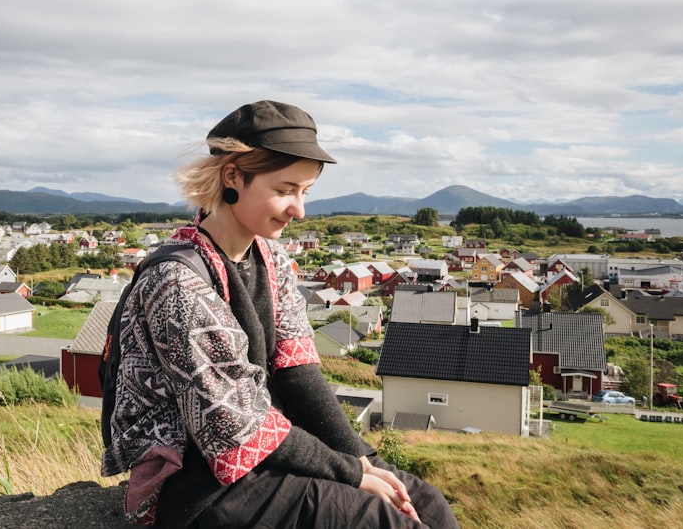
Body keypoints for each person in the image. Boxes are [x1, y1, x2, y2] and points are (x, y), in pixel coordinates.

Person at [101, 101, 459, 528]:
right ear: (233, 175)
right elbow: (234, 422)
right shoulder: (177, 283)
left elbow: (297, 372)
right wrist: (350, 472)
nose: (299, 209)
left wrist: (364, 459)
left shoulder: (271, 259)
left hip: (264, 452)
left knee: (426, 503)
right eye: (286, 189)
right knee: (379, 519)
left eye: (305, 192)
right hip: (194, 481)